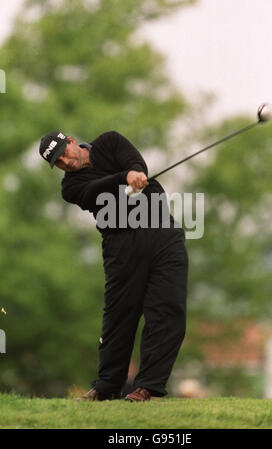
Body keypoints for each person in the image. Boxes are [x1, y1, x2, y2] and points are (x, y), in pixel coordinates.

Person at [39, 130, 189, 402]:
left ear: (72, 142)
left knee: (166, 310)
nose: (65, 162)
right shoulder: (70, 189)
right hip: (121, 245)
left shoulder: (109, 142)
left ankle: (148, 387)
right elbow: (95, 192)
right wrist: (124, 177)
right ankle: (107, 387)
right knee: (119, 316)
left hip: (161, 233)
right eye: (57, 162)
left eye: (64, 152)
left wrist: (135, 172)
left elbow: (135, 162)